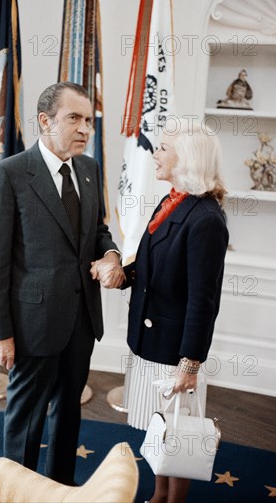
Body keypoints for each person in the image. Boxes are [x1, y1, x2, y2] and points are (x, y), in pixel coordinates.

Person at [0, 82, 124, 485]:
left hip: (82, 320)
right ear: (45, 121)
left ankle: (59, 488)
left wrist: (110, 255)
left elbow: (98, 231)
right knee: (25, 420)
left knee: (68, 412)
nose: (85, 130)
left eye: (89, 121)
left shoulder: (90, 170)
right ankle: (15, 491)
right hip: (30, 326)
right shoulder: (8, 175)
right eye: (74, 118)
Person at [93, 119, 229, 503]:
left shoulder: (206, 219)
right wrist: (123, 273)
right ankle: (159, 496)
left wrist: (190, 364)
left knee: (179, 432)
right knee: (160, 430)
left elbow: (204, 301)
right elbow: (153, 267)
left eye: (165, 147)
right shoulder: (173, 200)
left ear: (187, 157)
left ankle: (173, 500)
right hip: (150, 340)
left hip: (175, 350)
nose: (156, 153)